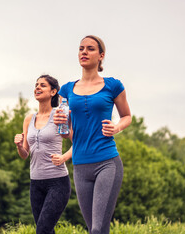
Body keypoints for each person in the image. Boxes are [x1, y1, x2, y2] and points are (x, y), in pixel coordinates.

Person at [54, 35, 132, 234]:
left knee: (97, 229)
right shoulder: (66, 90)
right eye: (81, 48)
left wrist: (116, 128)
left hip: (107, 162)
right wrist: (61, 125)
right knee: (94, 229)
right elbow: (67, 134)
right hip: (80, 165)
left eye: (90, 49)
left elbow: (127, 116)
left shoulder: (113, 85)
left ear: (101, 56)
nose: (84, 52)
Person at [14, 74, 72, 234]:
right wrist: (19, 145)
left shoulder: (60, 115)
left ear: (53, 92)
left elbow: (79, 142)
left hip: (57, 182)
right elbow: (25, 154)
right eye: (36, 85)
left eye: (42, 85)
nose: (37, 87)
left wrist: (64, 157)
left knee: (43, 230)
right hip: (36, 183)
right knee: (46, 230)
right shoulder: (28, 119)